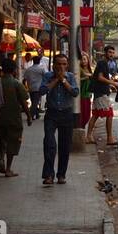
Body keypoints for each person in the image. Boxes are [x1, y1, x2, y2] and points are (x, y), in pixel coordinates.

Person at [38, 54, 79, 186]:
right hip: (52, 113)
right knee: (49, 144)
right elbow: (42, 90)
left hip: (66, 114)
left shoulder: (71, 76)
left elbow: (75, 92)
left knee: (64, 145)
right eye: (59, 64)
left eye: (64, 64)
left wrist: (64, 81)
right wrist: (56, 80)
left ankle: (61, 174)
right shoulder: (48, 76)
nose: (61, 67)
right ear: (54, 65)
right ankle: (48, 175)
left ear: (67, 65)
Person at [0, 58, 29, 177]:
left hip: (0, 117)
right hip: (13, 117)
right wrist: (29, 116)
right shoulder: (16, 83)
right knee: (13, 142)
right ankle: (8, 169)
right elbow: (23, 101)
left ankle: (1, 158)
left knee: (3, 138)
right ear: (13, 70)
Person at [86, 45, 118, 145]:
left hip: (99, 92)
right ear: (105, 53)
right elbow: (100, 78)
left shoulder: (105, 63)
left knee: (95, 115)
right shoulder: (102, 63)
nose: (111, 54)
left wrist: (111, 83)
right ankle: (109, 138)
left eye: (113, 53)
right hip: (101, 93)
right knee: (109, 114)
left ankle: (88, 136)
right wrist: (113, 83)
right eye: (110, 52)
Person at [22, 53, 47, 121]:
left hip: (31, 88)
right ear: (39, 61)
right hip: (38, 88)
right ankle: (31, 116)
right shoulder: (41, 69)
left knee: (34, 101)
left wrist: (25, 87)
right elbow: (46, 77)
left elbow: (24, 80)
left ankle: (37, 115)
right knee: (35, 102)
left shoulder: (28, 69)